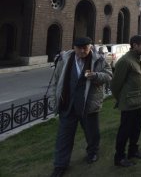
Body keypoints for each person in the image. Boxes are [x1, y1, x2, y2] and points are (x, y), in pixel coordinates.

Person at [51, 37, 112, 177]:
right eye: (80, 48)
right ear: (74, 47)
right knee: (64, 137)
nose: (83, 51)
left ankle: (93, 153)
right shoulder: (64, 59)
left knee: (92, 133)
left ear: (90, 47)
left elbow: (109, 76)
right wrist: (55, 101)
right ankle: (60, 164)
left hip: (88, 104)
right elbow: (57, 80)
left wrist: (95, 75)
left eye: (86, 47)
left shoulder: (98, 59)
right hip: (67, 104)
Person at [111, 35, 141, 168]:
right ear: (134, 45)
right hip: (129, 103)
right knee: (125, 131)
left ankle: (133, 151)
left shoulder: (139, 58)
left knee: (136, 129)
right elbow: (115, 85)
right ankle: (120, 157)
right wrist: (122, 99)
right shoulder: (125, 61)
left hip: (139, 102)